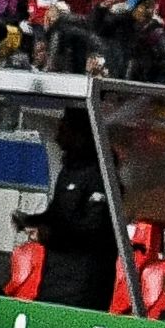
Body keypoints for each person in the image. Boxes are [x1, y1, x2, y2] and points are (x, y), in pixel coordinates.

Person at [29, 106, 120, 310]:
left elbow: (95, 229)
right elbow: (56, 214)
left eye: (64, 127)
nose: (57, 133)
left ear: (79, 133)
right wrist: (31, 220)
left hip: (83, 287)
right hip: (54, 280)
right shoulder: (68, 170)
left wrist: (51, 235)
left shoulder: (100, 174)